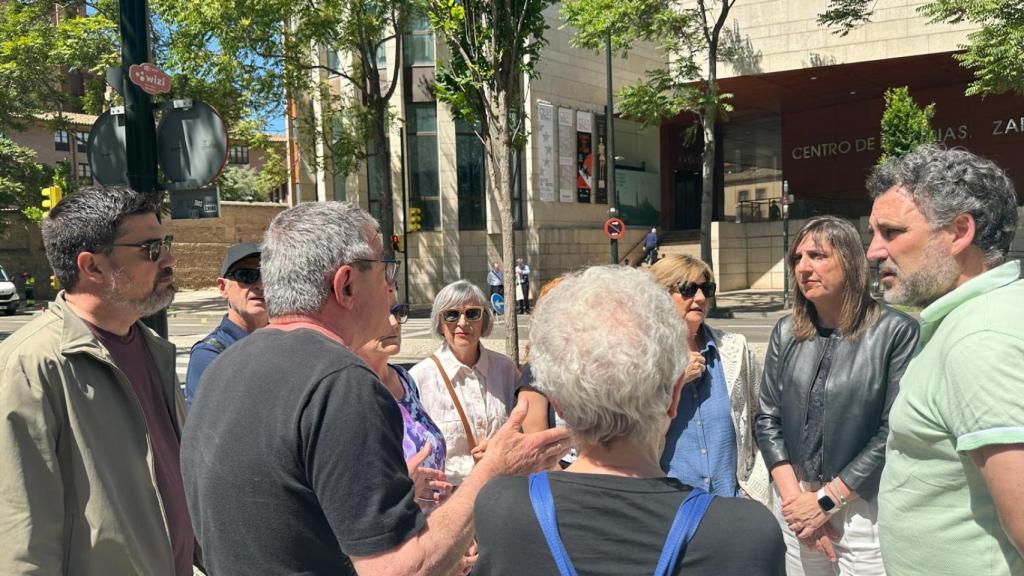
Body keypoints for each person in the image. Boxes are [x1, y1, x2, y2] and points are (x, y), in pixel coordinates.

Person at [180, 201, 569, 576]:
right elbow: (400, 568)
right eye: (385, 269)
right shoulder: (341, 383)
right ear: (346, 285)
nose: (389, 287)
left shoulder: (223, 366)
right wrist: (496, 470)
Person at [474, 265, 785, 575]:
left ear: (559, 404)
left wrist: (489, 469)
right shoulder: (748, 533)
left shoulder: (502, 510)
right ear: (674, 396)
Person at [0, 186, 194, 575]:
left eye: (166, 243)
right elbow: (21, 531)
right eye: (151, 249)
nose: (169, 259)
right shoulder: (32, 364)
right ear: (92, 267)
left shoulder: (152, 348)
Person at [866, 146, 1024, 576]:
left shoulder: (979, 338)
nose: (873, 252)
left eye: (891, 232)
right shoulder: (969, 320)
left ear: (959, 231)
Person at [756, 215, 919, 576]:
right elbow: (767, 419)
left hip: (863, 508)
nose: (804, 268)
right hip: (796, 501)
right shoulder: (787, 331)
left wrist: (826, 501)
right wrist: (798, 505)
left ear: (849, 261)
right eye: (797, 258)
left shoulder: (895, 332)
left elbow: (892, 431)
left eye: (817, 255)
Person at [651, 255, 769, 505]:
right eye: (688, 289)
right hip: (670, 506)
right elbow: (637, 439)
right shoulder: (644, 360)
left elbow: (764, 420)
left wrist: (754, 484)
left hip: (732, 503)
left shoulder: (735, 349)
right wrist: (675, 383)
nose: (701, 298)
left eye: (707, 289)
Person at [409, 280, 519, 486]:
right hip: (448, 496)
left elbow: (522, 429)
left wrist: (500, 449)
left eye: (472, 314)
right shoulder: (419, 378)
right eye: (451, 314)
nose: (462, 323)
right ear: (440, 323)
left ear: (484, 320)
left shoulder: (505, 369)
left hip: (501, 489)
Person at [356, 296, 452, 511]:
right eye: (382, 313)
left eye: (397, 312)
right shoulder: (349, 391)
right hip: (395, 537)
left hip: (433, 530)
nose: (394, 323)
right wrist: (400, 489)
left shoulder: (404, 379)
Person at [184, 242, 268, 407]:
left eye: (268, 276)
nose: (260, 285)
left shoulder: (287, 340)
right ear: (223, 287)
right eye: (246, 275)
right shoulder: (210, 355)